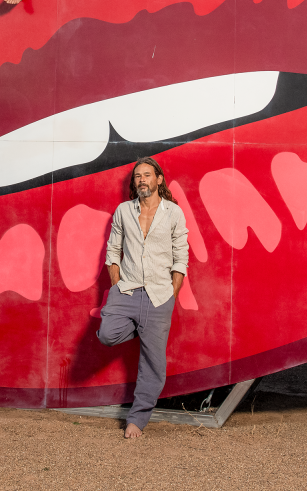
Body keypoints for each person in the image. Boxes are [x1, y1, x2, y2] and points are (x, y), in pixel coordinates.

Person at [96, 157, 189, 439]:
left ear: (159, 179)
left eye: (147, 175)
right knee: (106, 334)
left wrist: (171, 295)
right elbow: (113, 251)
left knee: (153, 364)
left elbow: (181, 257)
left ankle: (136, 420)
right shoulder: (124, 211)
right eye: (137, 176)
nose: (142, 180)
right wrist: (116, 287)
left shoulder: (173, 213)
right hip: (128, 290)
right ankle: (141, 326)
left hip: (159, 295)